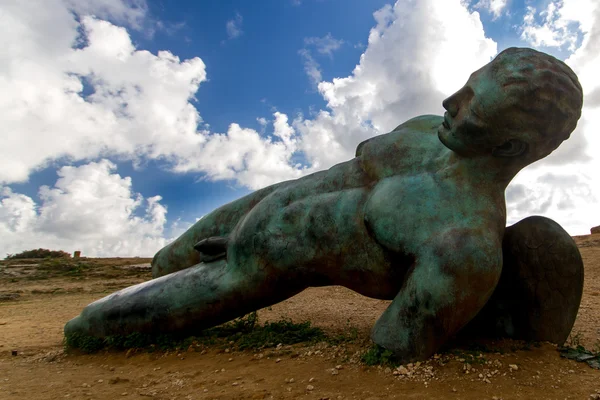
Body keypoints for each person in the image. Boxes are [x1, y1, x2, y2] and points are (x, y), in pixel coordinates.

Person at [65, 48, 583, 362]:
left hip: (249, 271)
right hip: (255, 210)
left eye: (473, 103)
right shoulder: (429, 132)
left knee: (86, 327)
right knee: (161, 260)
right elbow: (332, 179)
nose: (451, 100)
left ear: (510, 146)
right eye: (467, 86)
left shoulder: (464, 243)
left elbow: (396, 344)